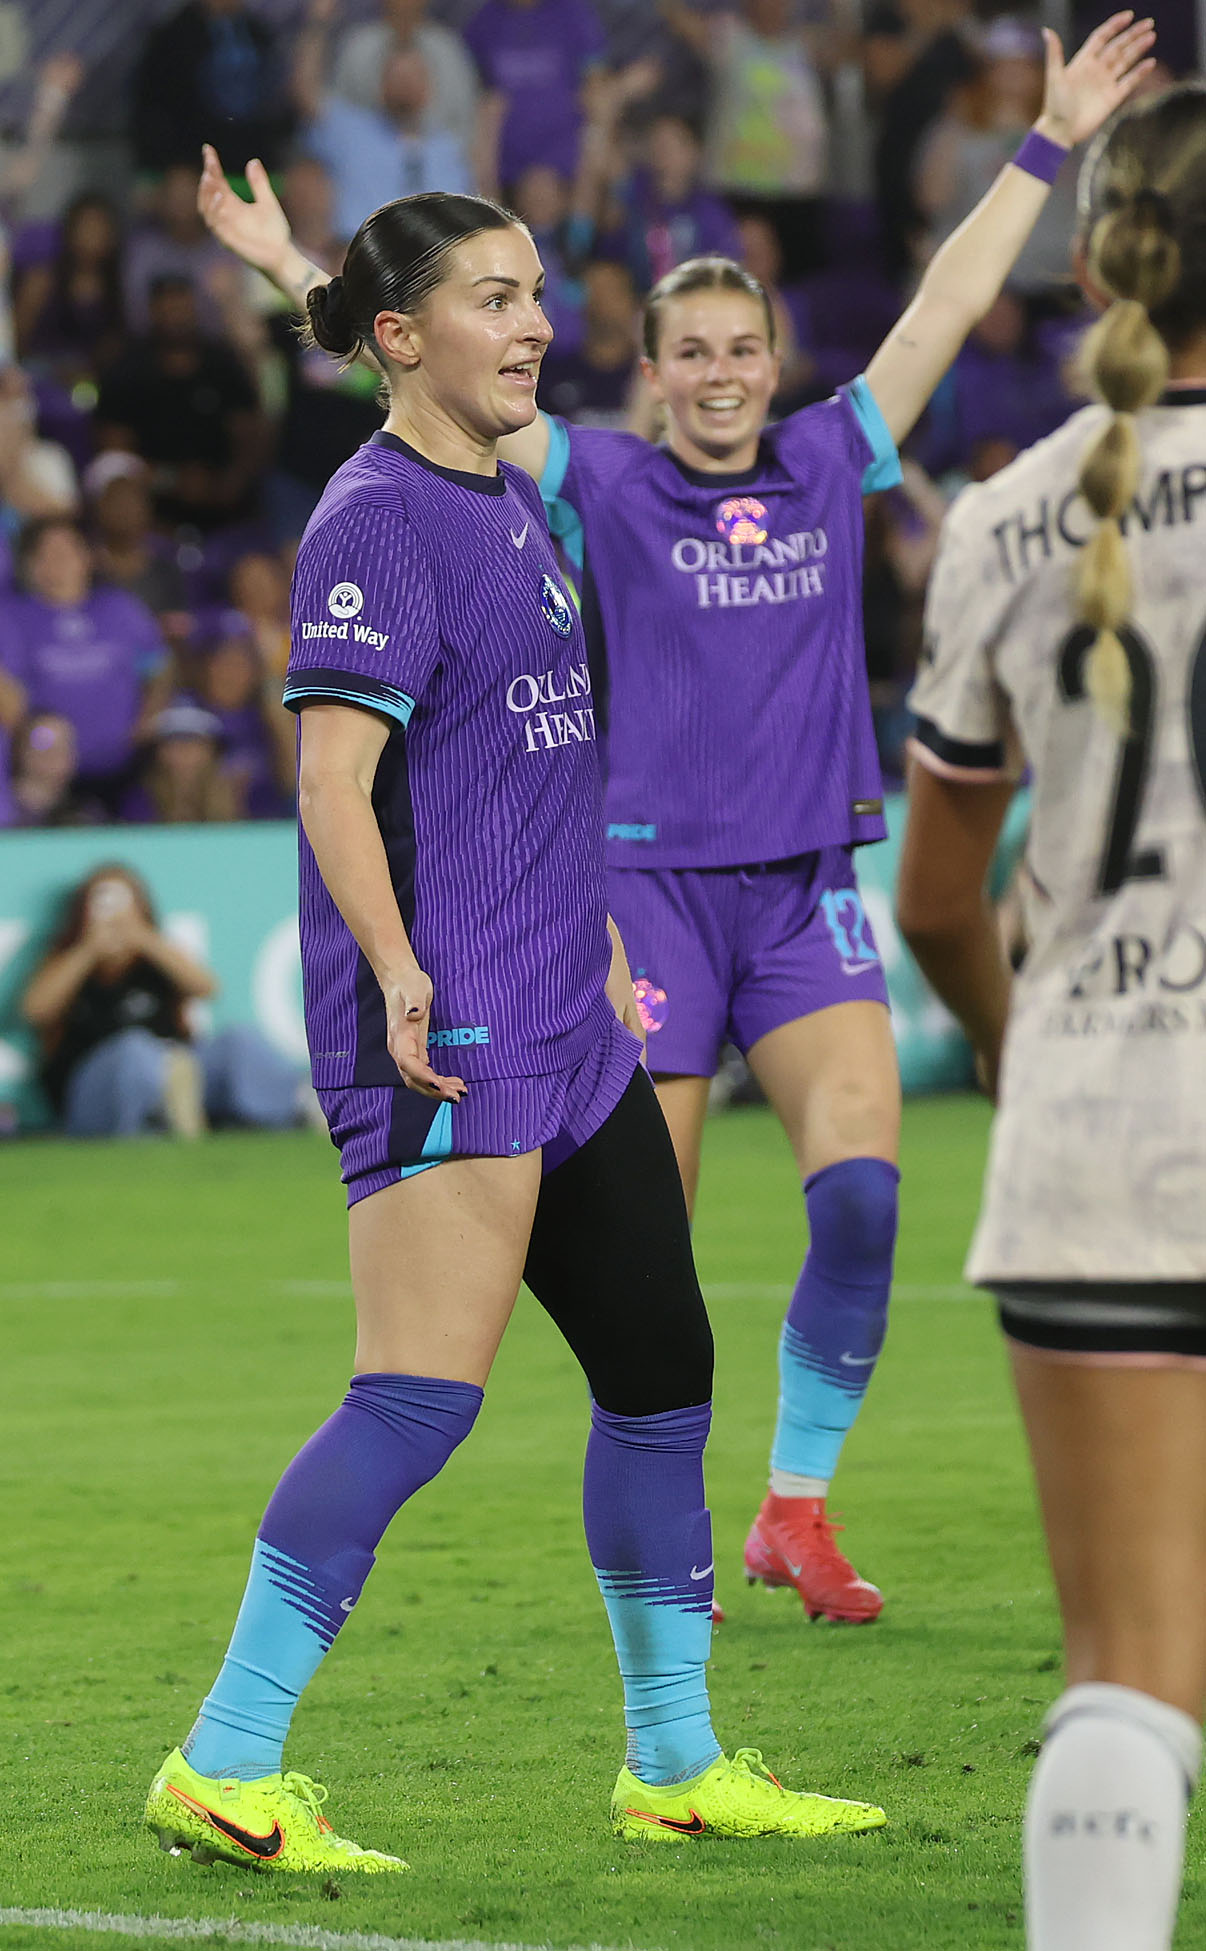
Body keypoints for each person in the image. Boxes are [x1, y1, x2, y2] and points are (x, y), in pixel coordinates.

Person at [197, 13, 1155, 1634]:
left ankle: (788, 1515)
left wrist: (1048, 143)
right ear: (648, 376)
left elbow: (942, 309)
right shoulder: (590, 481)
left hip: (795, 895)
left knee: (850, 1201)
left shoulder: (831, 464)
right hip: (637, 913)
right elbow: (415, 360)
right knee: (644, 1282)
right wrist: (294, 261)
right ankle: (664, 1611)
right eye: (689, 352)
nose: (720, 375)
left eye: (745, 350)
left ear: (779, 367)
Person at [147, 183, 889, 1875]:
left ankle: (677, 1761)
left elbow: (519, 747)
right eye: (493, 299)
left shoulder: (501, 487)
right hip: (452, 1033)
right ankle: (226, 1757)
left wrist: (600, 943)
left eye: (537, 292)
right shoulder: (375, 520)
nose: (536, 323)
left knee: (661, 1371)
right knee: (416, 1400)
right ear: (405, 338)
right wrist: (400, 971)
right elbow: (333, 781)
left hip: (573, 1021)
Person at [896, 79, 1206, 1951]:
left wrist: (1024, 1044)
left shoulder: (1011, 515)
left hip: (1097, 1122)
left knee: (1128, 1668)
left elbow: (936, 896)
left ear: (1092, 262)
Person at [22, 864, 302, 1137]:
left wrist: (143, 937)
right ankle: (161, 1110)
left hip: (180, 1065)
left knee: (238, 1040)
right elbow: (35, 1010)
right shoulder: (65, 960)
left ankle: (297, 1106)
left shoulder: (156, 960)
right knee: (134, 1050)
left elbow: (206, 987)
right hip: (98, 1091)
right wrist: (89, 948)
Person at [0, 516, 173, 811]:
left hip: (125, 761)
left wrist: (148, 719)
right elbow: (9, 697)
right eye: (46, 554)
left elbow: (159, 669)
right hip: (49, 771)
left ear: (86, 558)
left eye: (66, 552)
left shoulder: (120, 608)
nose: (57, 562)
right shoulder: (13, 617)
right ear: (31, 565)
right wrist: (44, 744)